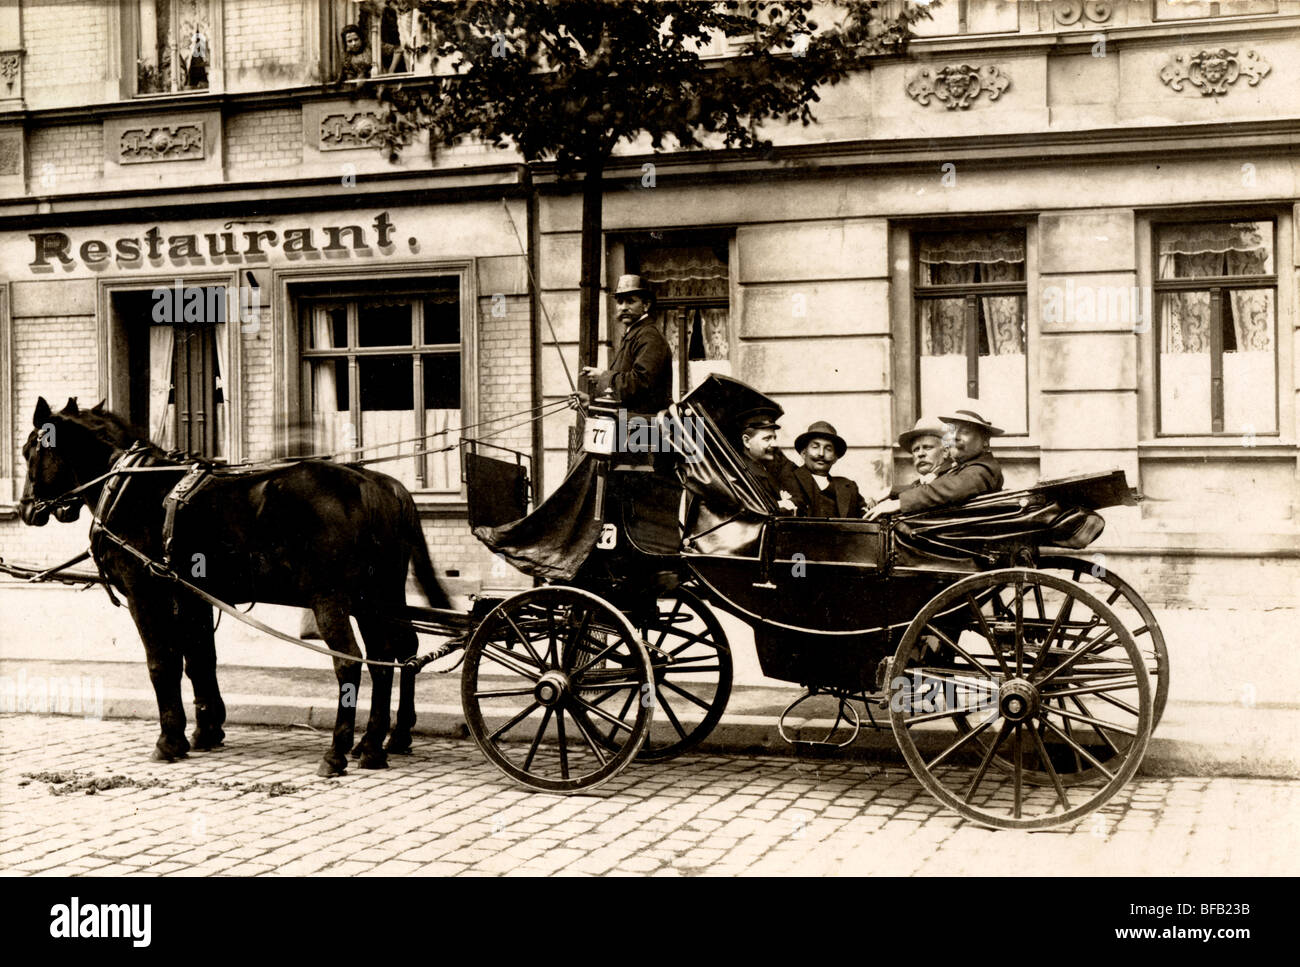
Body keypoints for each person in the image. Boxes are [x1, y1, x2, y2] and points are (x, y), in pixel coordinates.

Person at [866, 404, 1004, 518]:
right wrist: (892, 491)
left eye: (965, 432)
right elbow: (936, 485)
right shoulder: (964, 467)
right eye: (952, 431)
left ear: (985, 442)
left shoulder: (984, 468)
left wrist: (899, 503)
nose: (955, 437)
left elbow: (949, 488)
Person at [579, 274, 672, 414]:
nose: (623, 307)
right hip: (631, 425)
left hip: (645, 429)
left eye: (630, 301)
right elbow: (626, 396)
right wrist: (590, 402)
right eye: (620, 302)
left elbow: (641, 383)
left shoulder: (649, 336)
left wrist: (603, 376)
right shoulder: (634, 333)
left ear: (646, 305)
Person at [865, 415, 955, 510]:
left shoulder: (953, 478)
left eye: (927, 447)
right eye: (916, 449)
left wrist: (891, 492)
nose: (920, 454)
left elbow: (930, 490)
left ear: (945, 451)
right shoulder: (919, 483)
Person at [787, 421, 866, 518]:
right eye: (815, 447)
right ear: (804, 453)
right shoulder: (789, 481)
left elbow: (866, 517)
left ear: (835, 458)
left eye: (828, 449)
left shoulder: (849, 487)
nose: (821, 454)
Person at [737, 409, 799, 515]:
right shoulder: (739, 471)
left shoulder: (776, 460)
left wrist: (786, 503)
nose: (774, 444)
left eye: (774, 438)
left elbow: (799, 495)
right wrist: (780, 504)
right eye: (767, 439)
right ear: (747, 441)